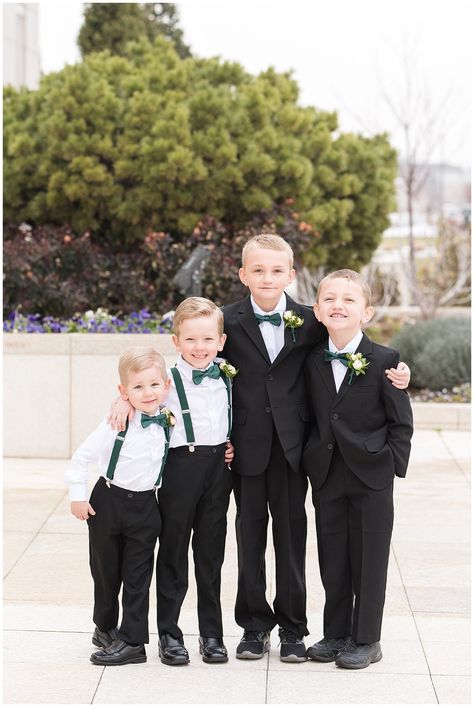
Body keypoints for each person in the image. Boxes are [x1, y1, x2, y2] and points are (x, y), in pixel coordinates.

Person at [221, 234, 411, 662]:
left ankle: (298, 630)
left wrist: (391, 461)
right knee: (257, 540)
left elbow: (388, 394)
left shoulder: (312, 321)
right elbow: (197, 360)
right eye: (258, 269)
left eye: (277, 271)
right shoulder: (226, 321)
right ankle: (256, 627)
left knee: (298, 542)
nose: (268, 278)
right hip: (256, 451)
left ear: (291, 275)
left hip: (301, 455)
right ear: (242, 274)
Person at [109, 297, 235, 666]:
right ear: (176, 342)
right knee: (174, 552)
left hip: (218, 469)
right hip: (181, 468)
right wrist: (120, 404)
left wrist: (232, 446)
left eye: (208, 340)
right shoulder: (167, 381)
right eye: (191, 340)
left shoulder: (227, 372)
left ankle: (212, 634)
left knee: (211, 555)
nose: (200, 348)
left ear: (221, 341)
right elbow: (137, 392)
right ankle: (169, 633)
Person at [303, 269, 413, 669]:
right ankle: (335, 634)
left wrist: (391, 467)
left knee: (369, 559)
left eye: (349, 300)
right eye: (329, 299)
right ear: (316, 310)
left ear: (366, 312)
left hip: (372, 475)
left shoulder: (386, 360)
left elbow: (401, 420)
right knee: (333, 558)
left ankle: (367, 639)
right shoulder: (311, 359)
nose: (338, 305)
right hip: (328, 474)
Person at [65, 347, 174, 666]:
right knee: (105, 571)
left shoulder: (170, 414)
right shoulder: (115, 420)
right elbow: (80, 459)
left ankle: (132, 641)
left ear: (165, 386)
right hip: (108, 503)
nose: (148, 393)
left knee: (139, 576)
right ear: (123, 391)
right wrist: (77, 495)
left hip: (145, 505)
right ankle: (105, 627)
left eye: (154, 385)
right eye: (137, 387)